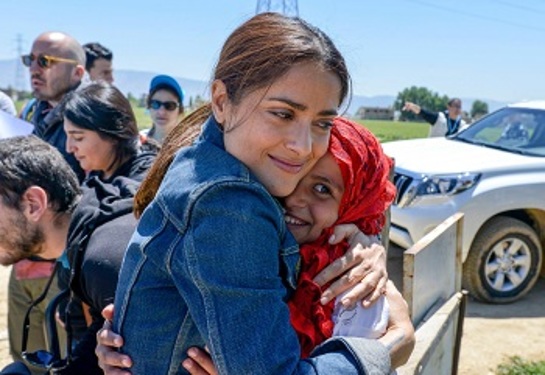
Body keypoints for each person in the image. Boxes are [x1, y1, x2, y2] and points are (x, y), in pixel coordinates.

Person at [111, 12, 406, 374]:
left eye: (323, 123)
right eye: (282, 114)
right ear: (221, 101)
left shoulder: (206, 164)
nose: (302, 146)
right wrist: (390, 347)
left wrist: (366, 238)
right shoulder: (228, 203)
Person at [10, 34, 85, 368]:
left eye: (47, 61)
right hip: (23, 261)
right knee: (26, 357)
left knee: (64, 359)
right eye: (31, 60)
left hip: (64, 271)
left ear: (78, 73)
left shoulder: (89, 119)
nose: (35, 69)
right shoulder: (30, 114)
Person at [140, 74, 185, 144]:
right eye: (155, 104)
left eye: (169, 106)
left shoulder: (187, 145)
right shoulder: (138, 142)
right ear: (149, 106)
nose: (161, 112)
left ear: (180, 110)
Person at [402, 98, 468, 137]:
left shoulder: (462, 125)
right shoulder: (439, 118)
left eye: (459, 107)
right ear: (448, 107)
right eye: (455, 106)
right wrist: (412, 106)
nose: (458, 109)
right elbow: (423, 112)